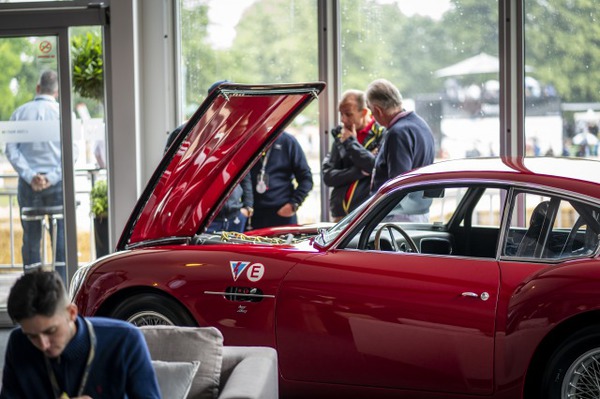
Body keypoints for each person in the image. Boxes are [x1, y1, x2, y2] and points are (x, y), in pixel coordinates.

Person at [0, 270, 160, 398]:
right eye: (32, 336)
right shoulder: (19, 342)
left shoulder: (125, 339)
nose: (43, 344)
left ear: (72, 313)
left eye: (51, 331)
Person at [164, 80, 254, 233]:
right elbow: (169, 177)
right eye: (228, 101)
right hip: (200, 220)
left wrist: (248, 206)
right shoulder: (184, 134)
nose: (232, 107)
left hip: (235, 217)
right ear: (212, 103)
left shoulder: (234, 132)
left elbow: (243, 170)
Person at [5, 70, 66, 280]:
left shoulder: (20, 113)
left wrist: (31, 176)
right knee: (60, 242)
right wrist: (51, 177)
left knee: (31, 240)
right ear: (57, 92)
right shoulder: (62, 113)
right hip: (57, 186)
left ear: (38, 88)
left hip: (29, 185)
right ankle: (61, 290)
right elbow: (73, 151)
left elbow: (11, 149)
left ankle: (31, 290)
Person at [366, 79, 435, 222]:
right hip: (419, 211)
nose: (373, 117)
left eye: (372, 112)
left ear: (378, 110)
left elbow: (397, 184)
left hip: (398, 217)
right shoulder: (421, 124)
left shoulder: (397, 133)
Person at [322, 89, 385, 221]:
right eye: (341, 114)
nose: (343, 120)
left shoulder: (381, 133)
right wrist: (359, 172)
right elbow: (328, 176)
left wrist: (351, 144)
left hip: (367, 214)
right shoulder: (341, 136)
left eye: (348, 114)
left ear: (364, 112)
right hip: (340, 215)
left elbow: (374, 167)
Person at [249, 132, 313, 229]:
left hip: (282, 212)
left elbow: (306, 179)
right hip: (255, 213)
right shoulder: (250, 142)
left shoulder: (288, 141)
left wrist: (293, 204)